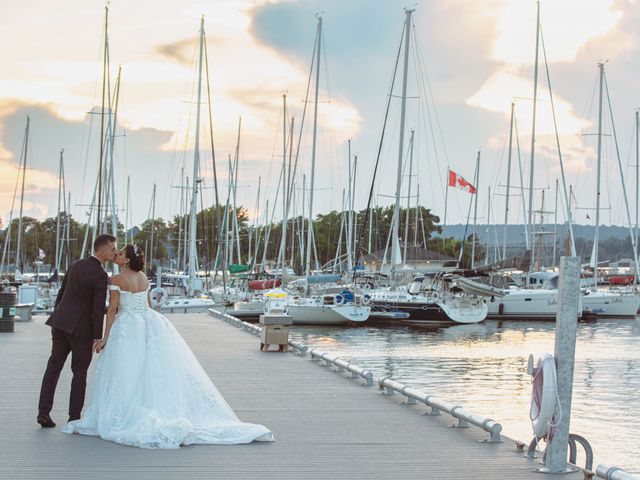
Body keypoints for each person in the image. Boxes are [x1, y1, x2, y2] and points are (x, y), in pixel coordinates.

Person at [62, 244, 273, 448]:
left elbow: (112, 310)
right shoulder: (144, 278)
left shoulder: (116, 279)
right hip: (149, 322)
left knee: (127, 370)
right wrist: (149, 323)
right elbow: (149, 306)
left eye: (121, 253)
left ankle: (125, 411)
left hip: (128, 325)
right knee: (151, 368)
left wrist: (105, 337)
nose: (116, 254)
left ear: (126, 260)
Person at [37, 234, 118, 428]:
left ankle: (43, 412)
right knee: (79, 373)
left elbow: (62, 294)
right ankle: (73, 419)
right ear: (102, 250)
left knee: (53, 368)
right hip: (81, 330)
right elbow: (97, 308)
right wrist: (98, 337)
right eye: (113, 248)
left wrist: (58, 316)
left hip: (60, 323)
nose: (115, 252)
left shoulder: (75, 265)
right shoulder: (100, 275)